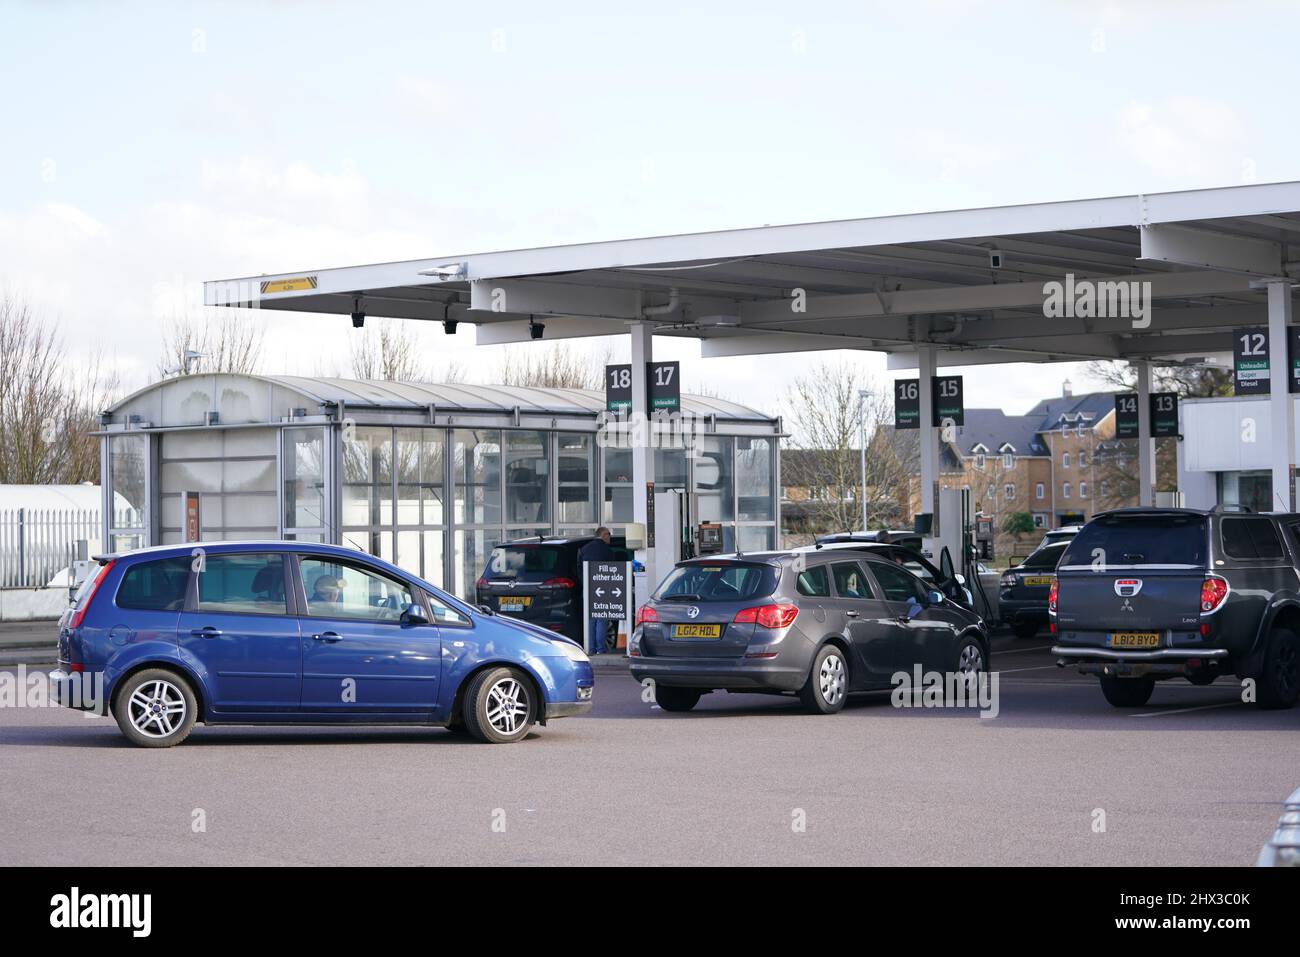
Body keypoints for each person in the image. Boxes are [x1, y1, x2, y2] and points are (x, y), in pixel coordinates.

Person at [578, 527, 616, 654]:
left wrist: (584, 583)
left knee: (590, 618)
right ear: (604, 535)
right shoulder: (607, 550)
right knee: (601, 617)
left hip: (588, 588)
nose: (610, 537)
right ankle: (600, 649)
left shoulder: (584, 549)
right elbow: (612, 570)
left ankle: (590, 648)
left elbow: (579, 569)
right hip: (604, 589)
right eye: (609, 534)